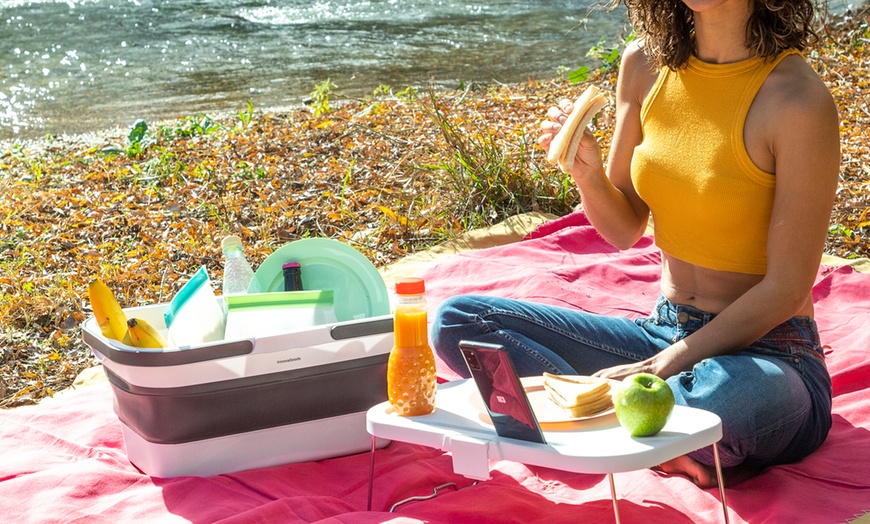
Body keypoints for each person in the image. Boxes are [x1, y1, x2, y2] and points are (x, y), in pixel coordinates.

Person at [431, 0, 840, 487]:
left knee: (733, 400)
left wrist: (661, 367)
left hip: (770, 353)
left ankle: (598, 420)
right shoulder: (645, 65)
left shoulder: (798, 100)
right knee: (460, 323)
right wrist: (586, 173)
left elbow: (788, 290)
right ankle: (639, 428)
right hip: (664, 330)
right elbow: (624, 225)